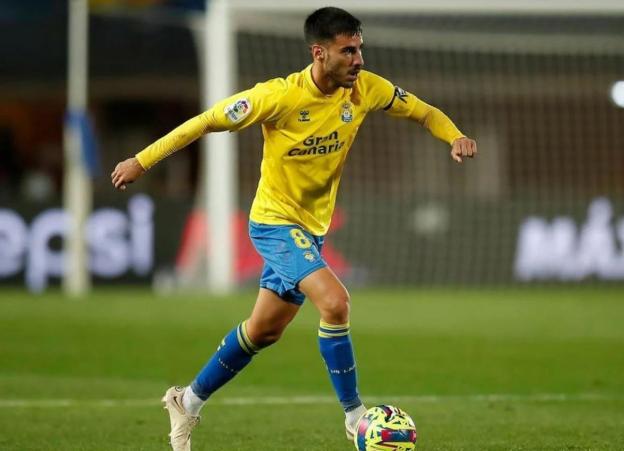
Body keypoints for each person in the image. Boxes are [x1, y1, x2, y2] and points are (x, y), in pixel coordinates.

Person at [111, 7, 477, 450]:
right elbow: (205, 121)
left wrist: (454, 134)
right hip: (274, 223)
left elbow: (422, 111)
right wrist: (141, 161)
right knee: (335, 302)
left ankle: (185, 401)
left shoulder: (366, 89)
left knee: (263, 331)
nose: (358, 59)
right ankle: (355, 416)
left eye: (360, 48)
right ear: (319, 53)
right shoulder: (277, 97)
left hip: (311, 229)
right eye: (348, 51)